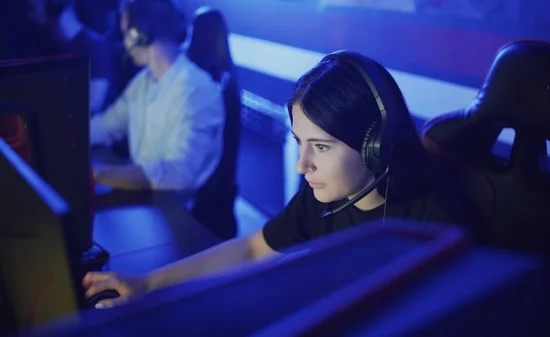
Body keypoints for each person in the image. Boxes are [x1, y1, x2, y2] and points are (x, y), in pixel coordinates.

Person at [83, 51, 482, 308]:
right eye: (299, 143)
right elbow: (255, 248)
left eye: (321, 147)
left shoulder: (437, 226)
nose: (301, 165)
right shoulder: (326, 196)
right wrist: (148, 283)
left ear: (373, 144)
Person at [89, 0, 225, 192]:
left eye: (126, 33)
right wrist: (67, 138)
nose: (125, 43)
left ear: (141, 35)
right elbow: (108, 125)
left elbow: (179, 172)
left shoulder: (196, 90)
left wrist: (98, 174)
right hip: (147, 201)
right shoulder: (143, 82)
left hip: (177, 213)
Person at [26, 0, 113, 114]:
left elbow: (92, 105)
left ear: (53, 6)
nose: (29, 15)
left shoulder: (95, 48)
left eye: (32, 8)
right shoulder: (50, 51)